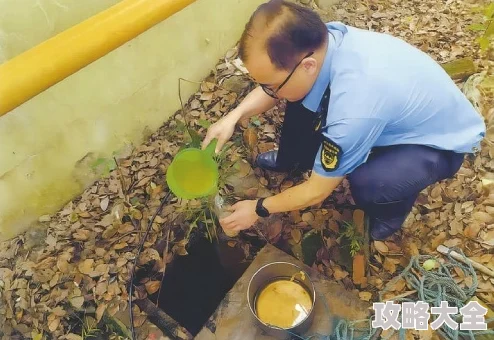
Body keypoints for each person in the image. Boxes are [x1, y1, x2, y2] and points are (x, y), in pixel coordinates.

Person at [201, 0, 486, 240]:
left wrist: (259, 208)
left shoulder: (354, 110)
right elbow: (282, 87)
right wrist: (234, 116)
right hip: (401, 111)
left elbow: (316, 192)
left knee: (368, 183)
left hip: (439, 143)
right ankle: (291, 158)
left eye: (270, 85)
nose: (268, 92)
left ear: (307, 65)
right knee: (297, 98)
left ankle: (392, 212)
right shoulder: (327, 43)